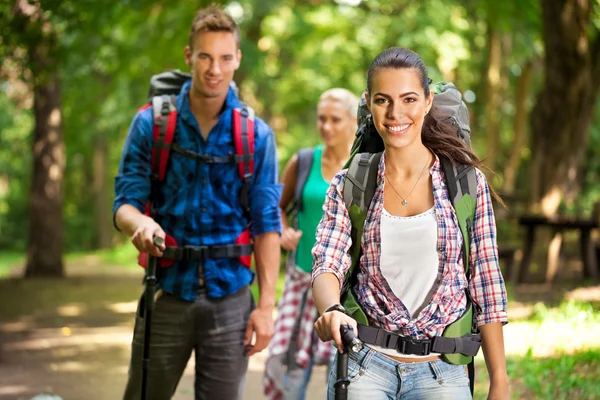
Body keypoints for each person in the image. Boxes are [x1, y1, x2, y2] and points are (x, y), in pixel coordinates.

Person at [311, 47, 509, 400]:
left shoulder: (466, 183)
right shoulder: (352, 182)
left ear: (428, 101)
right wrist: (331, 309)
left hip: (443, 371)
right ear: (369, 104)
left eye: (409, 99)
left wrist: (500, 381)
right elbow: (328, 261)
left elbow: (486, 283)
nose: (395, 113)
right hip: (364, 366)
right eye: (383, 100)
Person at [113, 6, 282, 400]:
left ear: (238, 59)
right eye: (205, 56)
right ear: (189, 57)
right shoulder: (151, 124)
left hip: (232, 300)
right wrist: (139, 223)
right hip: (167, 291)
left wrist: (266, 307)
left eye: (225, 58)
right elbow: (125, 202)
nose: (214, 69)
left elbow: (267, 224)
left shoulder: (256, 135)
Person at [263, 88, 359, 399]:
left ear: (354, 121)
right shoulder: (304, 161)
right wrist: (284, 230)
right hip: (301, 279)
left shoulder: (363, 167)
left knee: (344, 373)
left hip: (345, 289)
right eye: (322, 119)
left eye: (335, 120)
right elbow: (276, 206)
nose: (327, 126)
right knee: (286, 366)